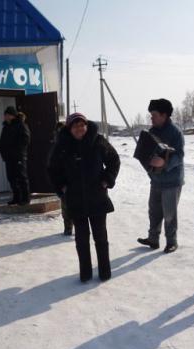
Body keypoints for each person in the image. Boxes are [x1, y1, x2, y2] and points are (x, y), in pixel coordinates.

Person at [47, 113, 120, 282]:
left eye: (82, 125)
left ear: (86, 126)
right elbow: (52, 169)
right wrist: (62, 187)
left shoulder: (97, 140)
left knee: (101, 237)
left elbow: (114, 160)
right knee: (81, 239)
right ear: (69, 128)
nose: (80, 128)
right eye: (75, 126)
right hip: (75, 198)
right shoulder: (62, 145)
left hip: (97, 196)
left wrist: (107, 180)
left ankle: (105, 272)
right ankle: (85, 274)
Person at [137, 98, 184, 253]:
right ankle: (153, 239)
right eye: (151, 114)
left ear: (164, 115)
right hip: (156, 180)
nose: (151, 117)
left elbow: (179, 156)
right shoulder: (152, 132)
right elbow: (147, 151)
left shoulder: (175, 132)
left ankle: (171, 241)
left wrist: (164, 163)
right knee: (154, 211)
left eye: (154, 114)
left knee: (169, 213)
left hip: (172, 181)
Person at [0, 106, 31, 205]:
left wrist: (18, 151)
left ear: (12, 116)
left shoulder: (21, 125)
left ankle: (25, 199)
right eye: (5, 115)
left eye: (7, 115)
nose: (5, 117)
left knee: (21, 177)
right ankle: (16, 198)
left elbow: (26, 139)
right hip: (9, 158)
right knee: (11, 177)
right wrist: (3, 153)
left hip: (19, 156)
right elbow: (2, 142)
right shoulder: (6, 128)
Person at [52, 121, 74, 236]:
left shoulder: (71, 143)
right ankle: (68, 228)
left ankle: (74, 226)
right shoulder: (57, 145)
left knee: (72, 205)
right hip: (63, 181)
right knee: (65, 206)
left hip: (72, 179)